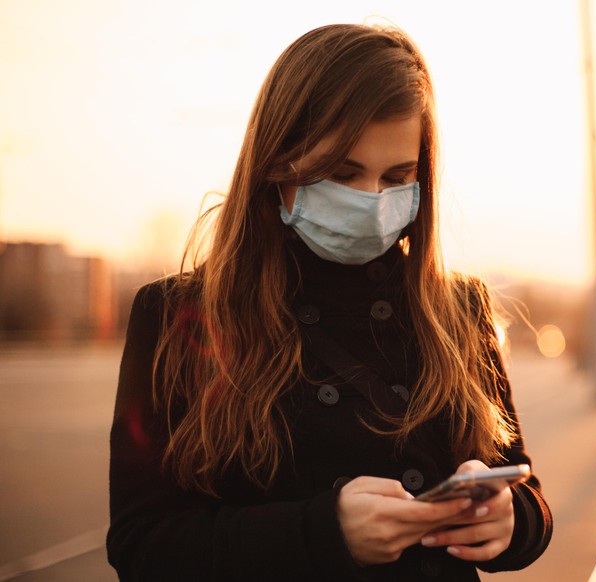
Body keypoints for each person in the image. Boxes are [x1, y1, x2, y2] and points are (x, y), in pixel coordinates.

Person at [107, 22, 552, 581]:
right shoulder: (177, 316)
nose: (371, 200)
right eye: (342, 173)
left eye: (398, 177)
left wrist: (514, 523)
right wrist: (321, 532)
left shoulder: (458, 308)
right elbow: (141, 546)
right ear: (277, 161)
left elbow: (520, 482)